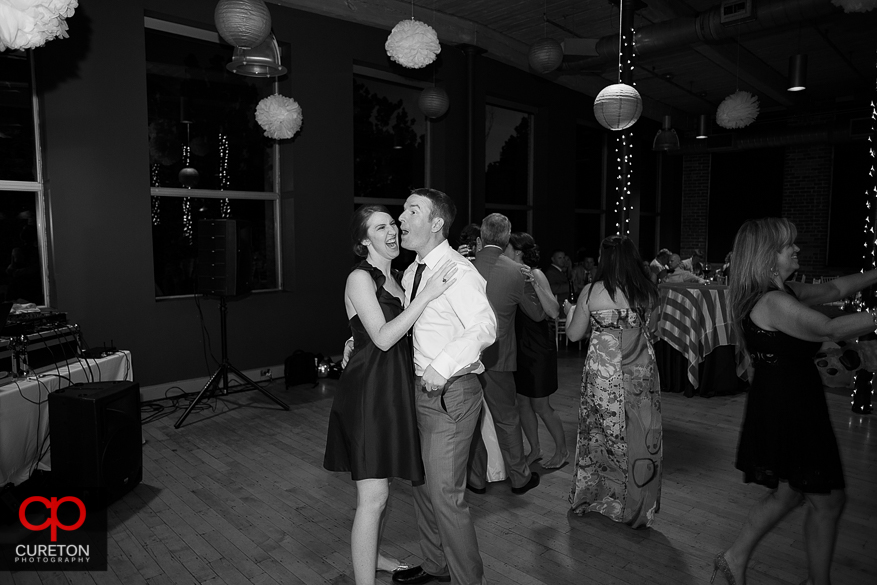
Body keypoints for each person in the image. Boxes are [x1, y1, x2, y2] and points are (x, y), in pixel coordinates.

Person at [715, 217, 877, 585]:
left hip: (788, 399)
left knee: (790, 494)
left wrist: (874, 274)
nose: (797, 249)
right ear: (767, 257)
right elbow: (830, 328)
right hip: (790, 406)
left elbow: (836, 287)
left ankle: (732, 559)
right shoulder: (771, 301)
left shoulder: (782, 290)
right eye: (789, 245)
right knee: (828, 498)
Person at [323, 205, 458, 585]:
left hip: (393, 390)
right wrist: (427, 295)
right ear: (364, 241)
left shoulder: (398, 276)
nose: (392, 231)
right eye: (380, 227)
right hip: (368, 394)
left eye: (393, 225)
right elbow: (382, 338)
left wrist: (354, 337)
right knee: (375, 496)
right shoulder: (359, 278)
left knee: (381, 489)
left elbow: (388, 329)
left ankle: (374, 555)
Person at [393, 188, 497, 585]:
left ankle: (469, 580)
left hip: (451, 393)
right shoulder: (413, 271)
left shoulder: (458, 269)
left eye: (412, 211)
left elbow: (485, 326)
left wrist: (443, 365)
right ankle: (436, 566)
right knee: (422, 487)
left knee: (446, 497)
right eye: (403, 210)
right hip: (419, 393)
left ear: (436, 223)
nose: (402, 218)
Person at [563, 235, 662, 528]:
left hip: (604, 368)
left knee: (601, 431)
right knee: (640, 432)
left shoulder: (591, 292)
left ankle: (600, 497)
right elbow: (653, 329)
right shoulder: (648, 291)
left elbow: (572, 335)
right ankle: (636, 504)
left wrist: (570, 311)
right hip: (640, 366)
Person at [467, 215, 542, 496]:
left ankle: (476, 479)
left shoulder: (466, 266)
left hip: (466, 355)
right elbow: (536, 314)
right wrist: (530, 284)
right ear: (507, 236)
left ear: (482, 235)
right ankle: (519, 478)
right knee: (507, 419)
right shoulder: (516, 272)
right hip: (499, 356)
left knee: (471, 421)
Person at [508, 232, 569, 470]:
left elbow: (553, 312)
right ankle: (534, 449)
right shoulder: (510, 274)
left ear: (518, 252)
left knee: (541, 405)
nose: (503, 252)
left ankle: (562, 451)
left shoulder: (536, 273)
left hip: (538, 345)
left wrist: (533, 283)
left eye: (507, 248)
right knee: (522, 402)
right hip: (519, 344)